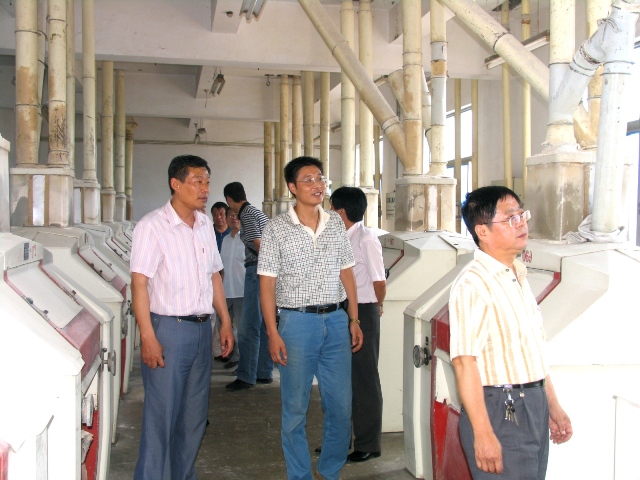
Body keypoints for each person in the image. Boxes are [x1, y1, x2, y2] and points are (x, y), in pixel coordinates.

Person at [449, 186, 572, 479]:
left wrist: (552, 405)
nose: (521, 224)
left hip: (533, 403)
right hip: (500, 410)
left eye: (521, 215)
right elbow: (464, 362)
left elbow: (531, 350)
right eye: (510, 218)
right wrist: (483, 434)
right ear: (483, 231)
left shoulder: (516, 275)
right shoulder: (473, 284)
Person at [258, 156, 364, 480]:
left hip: (335, 321)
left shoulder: (335, 224)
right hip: (297, 323)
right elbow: (267, 284)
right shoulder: (276, 228)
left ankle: (330, 471)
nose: (317, 185)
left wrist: (354, 319)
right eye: (308, 180)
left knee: (341, 407)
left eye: (320, 178)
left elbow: (347, 274)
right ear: (292, 187)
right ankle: (300, 475)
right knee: (295, 410)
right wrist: (273, 332)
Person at [130, 154, 234, 480]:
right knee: (161, 418)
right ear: (176, 184)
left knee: (193, 418)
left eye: (207, 182)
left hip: (202, 330)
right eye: (197, 182)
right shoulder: (152, 226)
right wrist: (148, 336)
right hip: (168, 331)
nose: (205, 189)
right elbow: (139, 283)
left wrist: (225, 322)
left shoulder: (204, 226)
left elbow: (214, 276)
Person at [330, 187, 386, 463]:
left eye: (332, 209)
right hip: (342, 309)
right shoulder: (340, 237)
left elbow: (379, 281)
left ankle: (368, 443)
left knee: (364, 378)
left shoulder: (366, 238)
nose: (329, 213)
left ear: (341, 212)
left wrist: (377, 306)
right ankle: (340, 440)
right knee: (341, 378)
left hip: (363, 311)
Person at [223, 181, 274, 391]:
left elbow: (259, 245)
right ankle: (263, 371)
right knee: (261, 325)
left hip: (257, 271)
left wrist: (265, 270)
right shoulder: (257, 212)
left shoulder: (247, 215)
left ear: (229, 199)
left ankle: (246, 376)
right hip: (265, 273)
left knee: (247, 326)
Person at [219, 208, 245, 370]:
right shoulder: (226, 240)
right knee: (226, 324)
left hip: (242, 290)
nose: (233, 218)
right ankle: (234, 356)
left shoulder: (247, 239)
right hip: (226, 290)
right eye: (230, 215)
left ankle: (243, 361)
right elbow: (221, 267)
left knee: (242, 328)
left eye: (237, 216)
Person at [210, 201, 232, 362]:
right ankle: (218, 351)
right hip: (212, 279)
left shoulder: (233, 233)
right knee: (214, 317)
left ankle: (230, 349)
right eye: (215, 215)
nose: (219, 217)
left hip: (231, 281)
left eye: (222, 214)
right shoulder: (208, 232)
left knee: (230, 318)